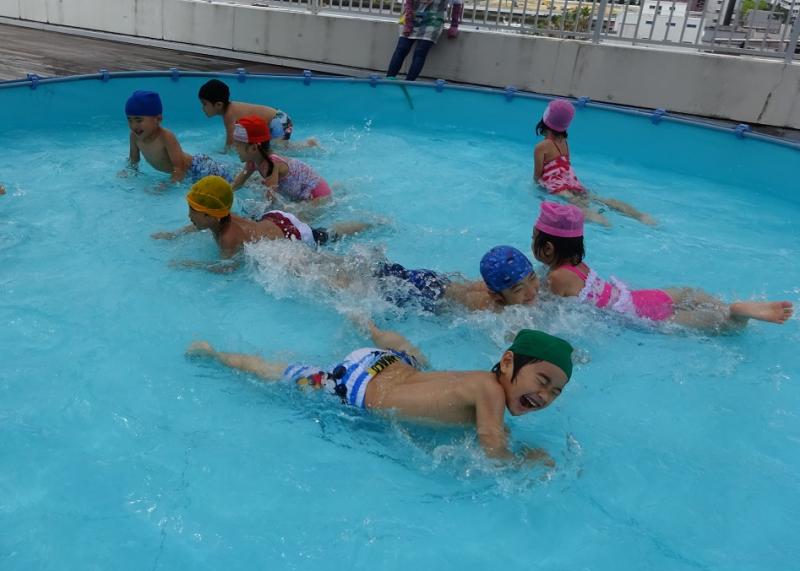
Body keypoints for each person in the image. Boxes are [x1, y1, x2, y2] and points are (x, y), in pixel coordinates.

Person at [186, 321, 573, 462]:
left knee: (415, 357)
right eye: (542, 381)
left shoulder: (478, 382)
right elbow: (493, 454)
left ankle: (370, 326)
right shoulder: (491, 394)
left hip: (384, 362)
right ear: (507, 362)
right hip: (349, 387)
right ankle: (216, 355)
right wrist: (528, 461)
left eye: (556, 392)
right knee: (283, 375)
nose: (545, 396)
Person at [531, 201, 794, 331]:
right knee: (691, 295)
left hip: (643, 315)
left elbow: (543, 307)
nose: (532, 242)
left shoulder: (557, 277)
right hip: (643, 297)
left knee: (725, 327)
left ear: (549, 248)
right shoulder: (578, 265)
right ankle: (725, 305)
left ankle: (737, 313)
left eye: (534, 238)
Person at [152, 176, 370, 271]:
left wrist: (192, 266)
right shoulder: (221, 217)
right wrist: (174, 234)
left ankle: (370, 225)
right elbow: (197, 225)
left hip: (291, 237)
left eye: (194, 211)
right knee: (325, 233)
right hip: (274, 220)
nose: (189, 215)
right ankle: (366, 223)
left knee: (327, 238)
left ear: (212, 216)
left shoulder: (227, 238)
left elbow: (227, 268)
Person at [533, 99, 655, 227]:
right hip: (571, 181)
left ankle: (603, 222)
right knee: (600, 200)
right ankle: (640, 215)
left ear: (546, 119)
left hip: (556, 184)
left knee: (577, 205)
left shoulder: (541, 147)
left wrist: (536, 189)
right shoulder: (564, 141)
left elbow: (537, 175)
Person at [373, 245, 539, 312]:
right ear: (497, 297)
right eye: (518, 289)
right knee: (374, 284)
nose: (531, 291)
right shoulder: (490, 310)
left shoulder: (501, 289)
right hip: (423, 291)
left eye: (532, 278)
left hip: (436, 282)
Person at [124, 90, 233, 184]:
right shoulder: (134, 136)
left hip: (198, 167)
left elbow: (179, 168)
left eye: (139, 120)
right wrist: (129, 172)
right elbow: (134, 160)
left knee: (231, 181)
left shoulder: (166, 137)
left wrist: (166, 185)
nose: (134, 126)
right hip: (187, 175)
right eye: (129, 120)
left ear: (158, 119)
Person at [230, 116, 331, 206]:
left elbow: (270, 201)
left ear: (253, 148)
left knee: (293, 217)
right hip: (303, 191)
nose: (235, 148)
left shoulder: (272, 164)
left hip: (317, 194)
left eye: (237, 145)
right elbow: (236, 185)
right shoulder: (252, 162)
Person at [198, 78, 316, 151]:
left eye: (204, 104)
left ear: (218, 104)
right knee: (274, 148)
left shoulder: (229, 115)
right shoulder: (231, 109)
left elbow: (231, 144)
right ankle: (307, 145)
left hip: (278, 121)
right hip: (278, 118)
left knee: (278, 151)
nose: (202, 108)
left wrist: (224, 153)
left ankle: (309, 145)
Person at [386, 0, 464, 81]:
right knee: (401, 48)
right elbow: (408, 2)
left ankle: (409, 82)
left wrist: (454, 25)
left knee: (420, 52)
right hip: (411, 17)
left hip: (434, 20)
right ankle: (389, 79)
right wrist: (408, 20)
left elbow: (457, 4)